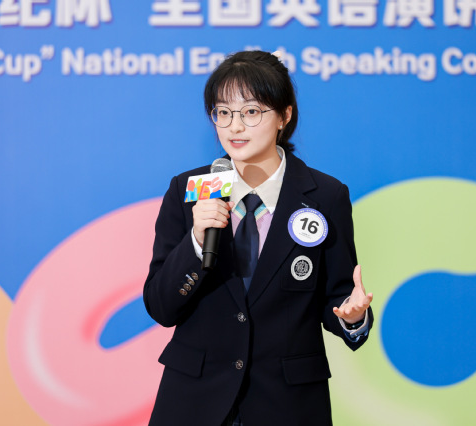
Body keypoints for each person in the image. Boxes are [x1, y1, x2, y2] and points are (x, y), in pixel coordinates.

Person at [143, 50, 374, 426]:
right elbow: (160, 306)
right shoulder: (190, 190)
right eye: (223, 112)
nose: (235, 126)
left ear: (284, 115)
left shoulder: (325, 196)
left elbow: (336, 297)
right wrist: (197, 242)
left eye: (251, 111)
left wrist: (352, 316)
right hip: (194, 403)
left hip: (287, 405)